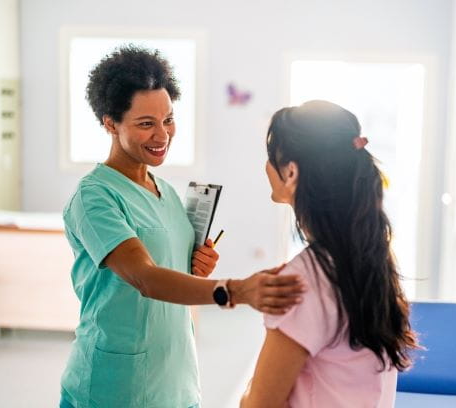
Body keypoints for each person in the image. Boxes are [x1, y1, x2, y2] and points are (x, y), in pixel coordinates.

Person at [59, 45, 305, 408]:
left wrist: (196, 264)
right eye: (146, 124)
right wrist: (234, 290)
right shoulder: (94, 196)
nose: (162, 135)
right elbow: (143, 276)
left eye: (168, 119)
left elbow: (171, 265)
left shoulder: (167, 193)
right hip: (115, 386)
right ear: (110, 123)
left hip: (175, 380)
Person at [240, 100, 419, 408]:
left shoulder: (302, 281)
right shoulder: (370, 256)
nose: (266, 166)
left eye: (271, 157)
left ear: (291, 172)